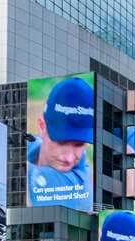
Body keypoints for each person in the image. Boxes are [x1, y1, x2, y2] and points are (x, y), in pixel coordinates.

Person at [26, 75, 93, 210]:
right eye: (61, 142)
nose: (68, 158)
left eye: (79, 144)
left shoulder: (78, 192)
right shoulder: (30, 144)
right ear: (42, 126)